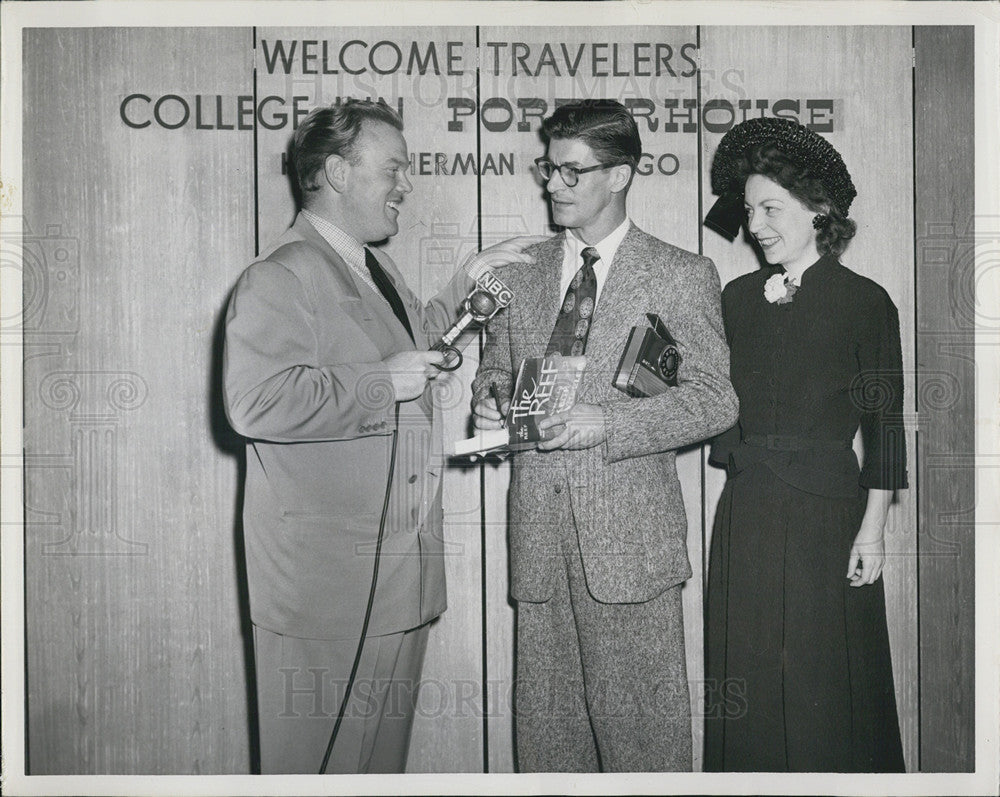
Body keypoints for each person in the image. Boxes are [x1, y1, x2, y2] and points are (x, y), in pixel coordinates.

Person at [223, 99, 539, 774]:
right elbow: (254, 403)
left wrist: (469, 280)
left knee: (376, 776)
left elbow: (413, 338)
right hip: (326, 595)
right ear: (337, 172)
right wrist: (378, 383)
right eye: (393, 167)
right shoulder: (279, 274)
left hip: (396, 581)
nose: (406, 184)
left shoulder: (370, 267)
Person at [471, 100, 738, 772]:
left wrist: (608, 422)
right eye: (548, 169)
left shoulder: (680, 273)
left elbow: (715, 399)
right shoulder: (521, 271)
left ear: (620, 175)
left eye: (571, 172)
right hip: (540, 542)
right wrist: (490, 400)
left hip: (631, 553)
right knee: (549, 749)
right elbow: (495, 370)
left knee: (646, 751)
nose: (551, 185)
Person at [702, 117, 908, 772]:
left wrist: (872, 531)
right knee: (749, 680)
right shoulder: (733, 299)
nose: (756, 223)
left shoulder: (866, 303)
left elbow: (884, 427)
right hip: (747, 515)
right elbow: (704, 395)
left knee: (825, 684)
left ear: (819, 208)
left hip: (829, 517)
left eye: (771, 207)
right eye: (750, 209)